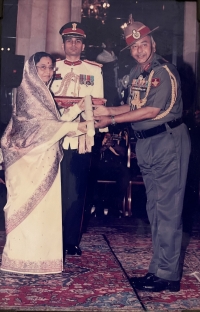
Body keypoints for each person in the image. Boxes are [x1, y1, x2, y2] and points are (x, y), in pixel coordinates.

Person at [93, 18, 191, 292]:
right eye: (134, 46)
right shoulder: (139, 72)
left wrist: (111, 119)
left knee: (168, 209)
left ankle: (168, 276)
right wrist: (108, 112)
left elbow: (150, 111)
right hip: (147, 143)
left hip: (168, 141)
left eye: (143, 44)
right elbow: (131, 105)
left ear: (153, 44)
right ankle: (157, 269)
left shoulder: (163, 71)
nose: (139, 50)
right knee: (155, 210)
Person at [0, 52, 88, 274]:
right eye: (42, 67)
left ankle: (42, 261)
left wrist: (78, 110)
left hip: (44, 158)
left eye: (51, 67)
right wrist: (74, 128)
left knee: (44, 212)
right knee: (27, 209)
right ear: (31, 70)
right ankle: (19, 260)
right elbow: (37, 128)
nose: (48, 72)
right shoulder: (27, 92)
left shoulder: (43, 92)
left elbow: (52, 122)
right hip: (28, 161)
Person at [51, 22, 104, 258]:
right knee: (53, 189)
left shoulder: (94, 70)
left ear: (83, 45)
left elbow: (98, 104)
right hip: (54, 137)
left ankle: (71, 240)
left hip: (80, 137)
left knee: (76, 191)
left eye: (78, 41)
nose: (73, 44)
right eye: (69, 40)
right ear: (63, 44)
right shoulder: (51, 67)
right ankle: (51, 238)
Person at [93, 130, 129, 217]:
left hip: (116, 167)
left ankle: (115, 208)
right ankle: (98, 208)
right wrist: (103, 147)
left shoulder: (121, 134)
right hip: (101, 166)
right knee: (90, 174)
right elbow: (93, 153)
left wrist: (113, 144)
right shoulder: (97, 134)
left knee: (125, 175)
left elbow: (123, 152)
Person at [96, 38, 119, 107]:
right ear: (104, 44)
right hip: (107, 83)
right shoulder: (100, 56)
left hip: (116, 81)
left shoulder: (114, 54)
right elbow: (102, 69)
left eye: (111, 41)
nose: (111, 43)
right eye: (109, 41)